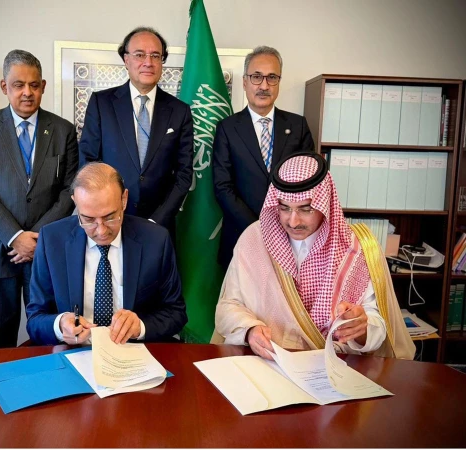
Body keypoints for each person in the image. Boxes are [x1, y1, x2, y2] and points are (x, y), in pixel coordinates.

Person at [213, 152, 415, 360]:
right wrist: (250, 330)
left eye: (306, 209)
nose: (293, 221)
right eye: (284, 208)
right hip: (268, 361)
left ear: (324, 204)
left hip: (333, 366)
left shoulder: (357, 249)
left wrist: (362, 329)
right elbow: (228, 307)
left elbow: (378, 325)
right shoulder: (253, 240)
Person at [0, 49, 79, 349]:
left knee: (47, 336)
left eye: (34, 85)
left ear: (43, 86)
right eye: (18, 85)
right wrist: (15, 237)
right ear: (5, 87)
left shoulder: (63, 130)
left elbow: (69, 190)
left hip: (45, 251)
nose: (27, 92)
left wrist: (36, 238)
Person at [26, 162, 188, 346]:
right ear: (76, 203)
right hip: (74, 351)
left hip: (132, 350)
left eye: (110, 217)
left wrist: (140, 327)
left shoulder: (156, 240)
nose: (101, 231)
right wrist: (60, 325)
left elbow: (176, 313)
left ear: (124, 200)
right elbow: (35, 319)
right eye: (88, 219)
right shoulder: (52, 240)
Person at [78, 26, 193, 237]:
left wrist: (158, 220)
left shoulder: (180, 111)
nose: (148, 62)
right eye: (140, 55)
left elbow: (184, 174)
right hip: (109, 222)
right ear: (126, 59)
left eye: (155, 56)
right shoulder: (101, 104)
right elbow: (88, 162)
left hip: (160, 226)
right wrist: (105, 213)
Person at [213, 46, 315, 268]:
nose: (264, 85)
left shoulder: (297, 126)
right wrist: (258, 227)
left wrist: (283, 224)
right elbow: (222, 187)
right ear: (245, 82)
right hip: (241, 235)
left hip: (289, 237)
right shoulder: (227, 128)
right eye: (256, 77)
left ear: (279, 82)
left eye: (272, 77)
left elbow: (308, 185)